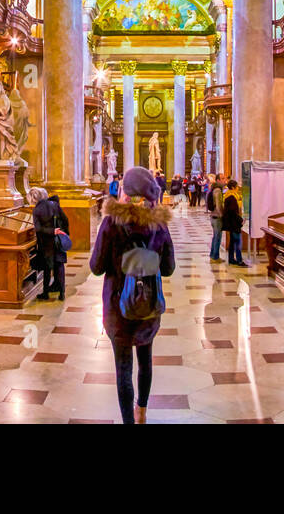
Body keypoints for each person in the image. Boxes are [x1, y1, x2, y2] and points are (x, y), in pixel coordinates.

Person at [90, 166, 175, 424]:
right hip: (148, 305)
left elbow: (96, 267)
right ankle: (142, 412)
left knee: (123, 369)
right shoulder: (159, 225)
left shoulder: (111, 223)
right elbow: (169, 268)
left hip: (118, 307)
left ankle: (128, 421)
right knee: (145, 360)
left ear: (125, 191)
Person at [31, 186, 69, 301]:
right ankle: (62, 293)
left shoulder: (37, 210)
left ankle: (45, 293)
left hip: (46, 243)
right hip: (58, 241)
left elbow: (38, 229)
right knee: (60, 266)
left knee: (47, 268)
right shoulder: (54, 204)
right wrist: (63, 234)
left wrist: (51, 231)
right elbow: (65, 219)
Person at [222, 179, 247, 267]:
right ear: (233, 187)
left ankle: (231, 259)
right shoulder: (232, 197)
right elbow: (233, 212)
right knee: (238, 243)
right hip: (234, 224)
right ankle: (239, 261)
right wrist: (241, 220)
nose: (238, 188)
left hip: (231, 223)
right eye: (236, 187)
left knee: (233, 242)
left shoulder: (228, 195)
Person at [206, 173, 226, 261]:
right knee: (217, 237)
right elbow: (219, 205)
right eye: (222, 178)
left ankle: (212, 255)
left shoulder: (214, 188)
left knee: (215, 236)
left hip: (213, 216)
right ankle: (215, 257)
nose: (224, 180)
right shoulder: (217, 190)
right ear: (217, 180)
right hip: (217, 217)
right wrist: (222, 215)